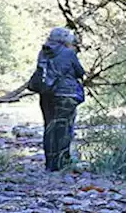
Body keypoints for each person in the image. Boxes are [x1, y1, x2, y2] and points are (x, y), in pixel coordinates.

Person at [31, 27, 86, 172]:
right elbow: (80, 72)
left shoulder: (43, 52)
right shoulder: (68, 53)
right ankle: (63, 163)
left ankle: (50, 164)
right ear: (64, 39)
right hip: (66, 95)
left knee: (49, 127)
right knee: (64, 129)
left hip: (46, 94)